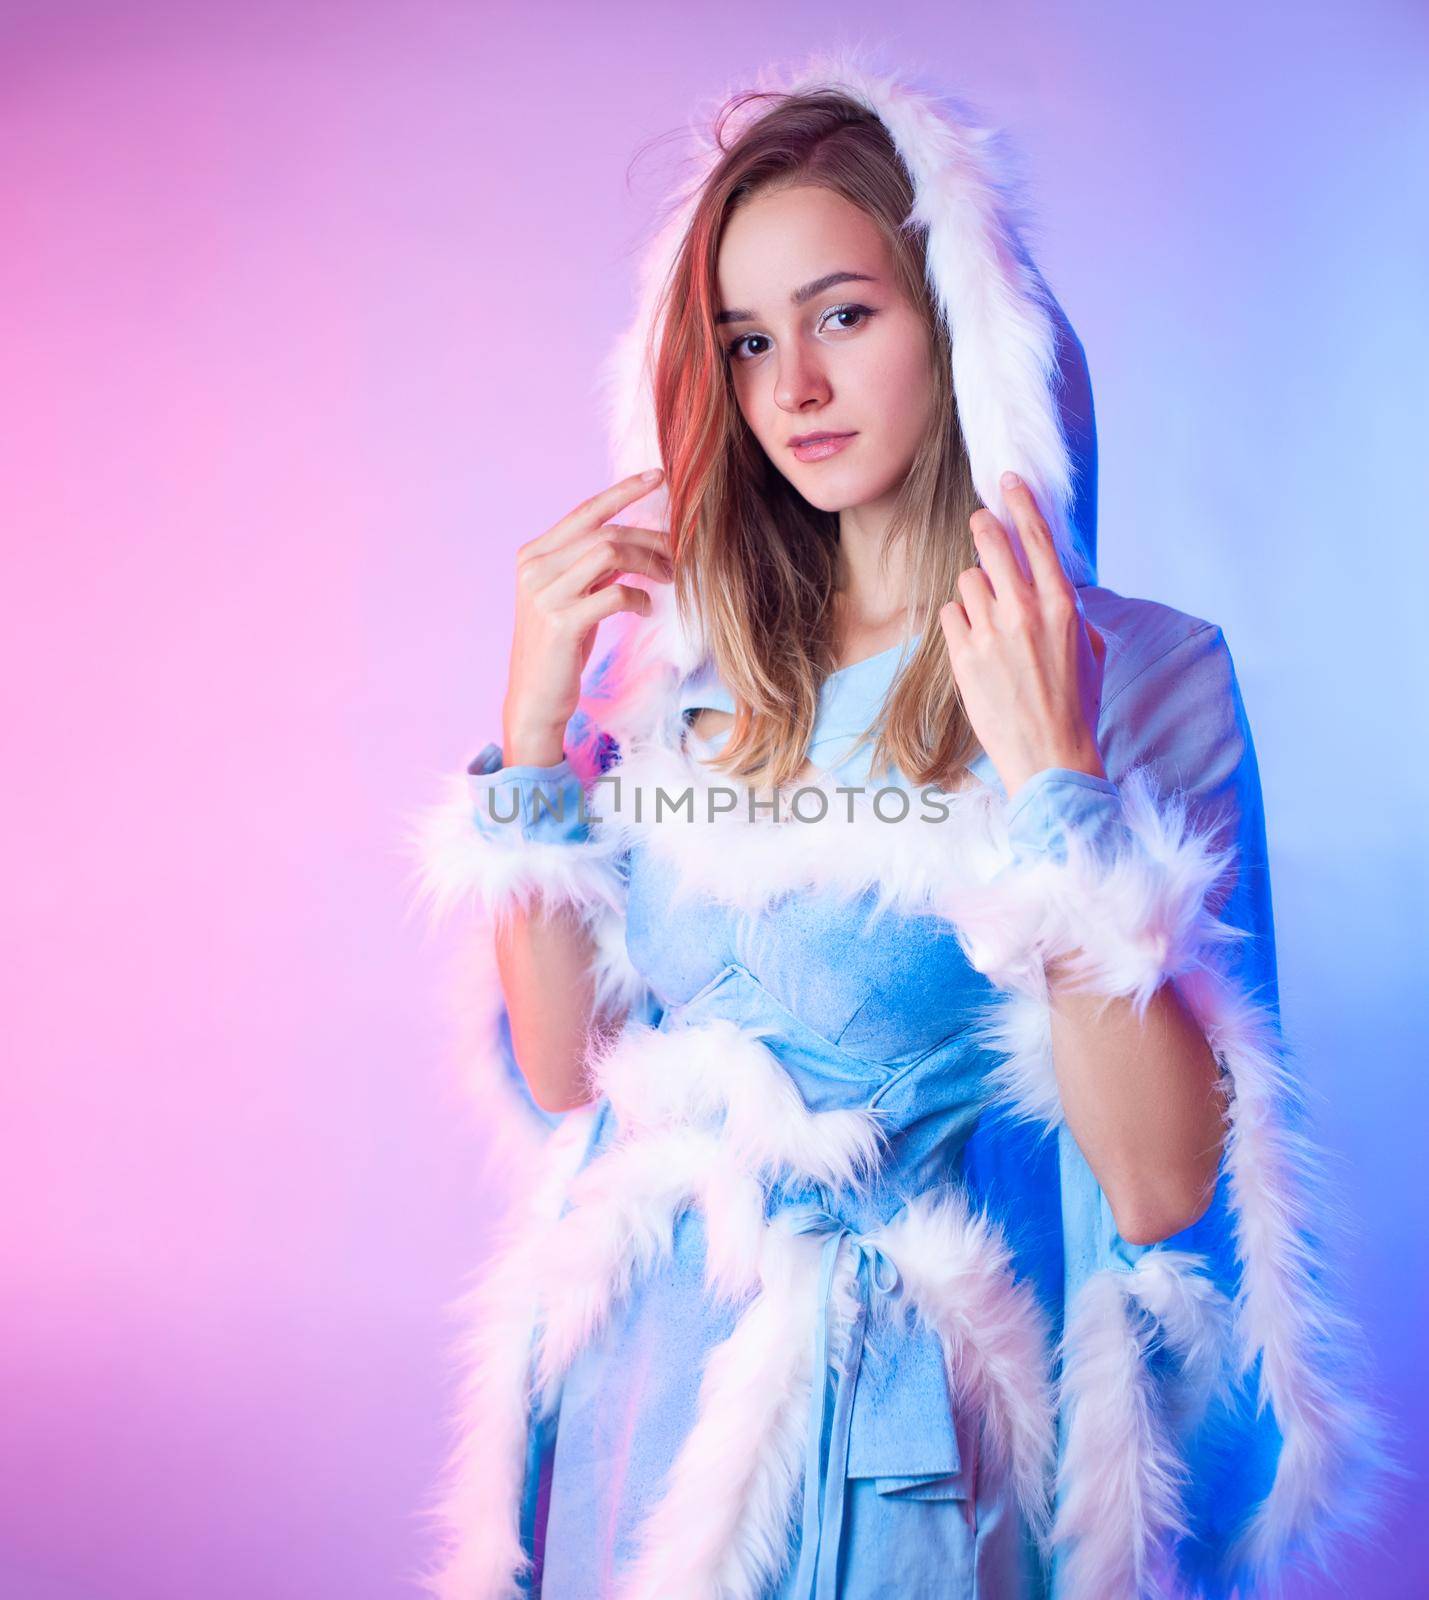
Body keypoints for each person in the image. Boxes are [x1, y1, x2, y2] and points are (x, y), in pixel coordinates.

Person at [406, 49, 1389, 1600]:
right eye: (745, 340)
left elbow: (1157, 1190)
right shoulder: (679, 682)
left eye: (843, 315)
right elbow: (563, 1072)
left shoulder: (1132, 669)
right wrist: (532, 730)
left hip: (908, 1448)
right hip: (640, 1407)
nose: (790, 387)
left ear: (960, 324)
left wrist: (1055, 781)